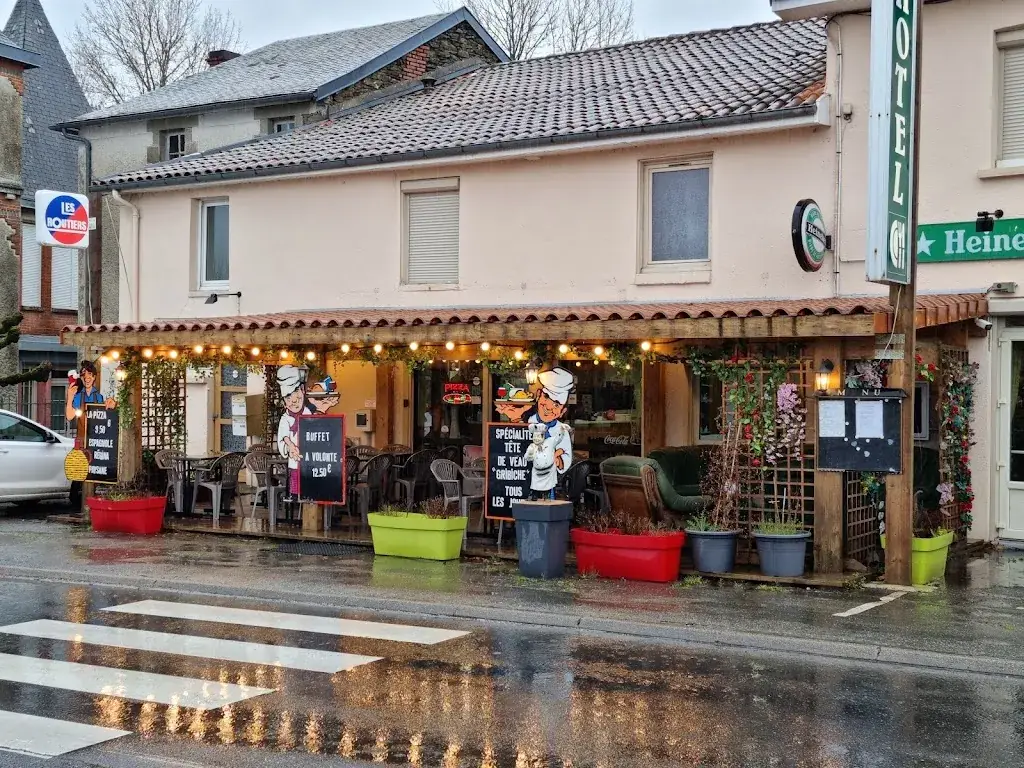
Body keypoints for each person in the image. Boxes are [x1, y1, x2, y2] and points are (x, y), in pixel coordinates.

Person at [529, 367, 575, 475]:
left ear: (562, 411)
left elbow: (566, 454)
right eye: (546, 397)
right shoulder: (529, 422)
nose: (549, 407)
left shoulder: (562, 431)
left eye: (556, 404)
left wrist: (558, 461)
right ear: (538, 395)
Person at [276, 365, 310, 498]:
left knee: (310, 492)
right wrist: (290, 446)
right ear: (284, 401)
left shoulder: (309, 414)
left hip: (311, 464)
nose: (294, 401)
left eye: (296, 394)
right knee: (296, 494)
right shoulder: (285, 419)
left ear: (302, 391)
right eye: (288, 398)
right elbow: (283, 436)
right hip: (295, 464)